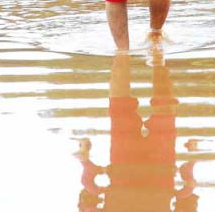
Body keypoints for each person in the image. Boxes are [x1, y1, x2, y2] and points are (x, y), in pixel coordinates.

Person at [75, 52, 200, 211]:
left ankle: (154, 55)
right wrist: (86, 162)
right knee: (121, 105)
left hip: (158, 169)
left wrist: (191, 163)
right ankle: (124, 53)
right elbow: (88, 194)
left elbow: (188, 195)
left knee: (163, 107)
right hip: (127, 165)